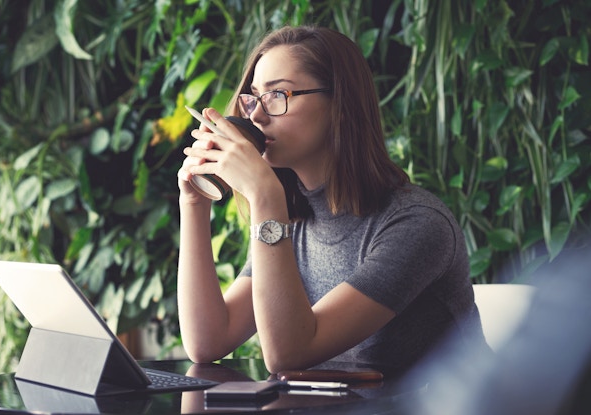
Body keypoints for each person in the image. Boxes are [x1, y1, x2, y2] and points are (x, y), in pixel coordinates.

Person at [177, 25, 489, 375]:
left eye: (278, 95)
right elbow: (208, 342)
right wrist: (193, 204)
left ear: (339, 105)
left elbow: (288, 356)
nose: (257, 116)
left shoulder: (417, 225)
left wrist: (265, 198)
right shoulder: (293, 221)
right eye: (253, 97)